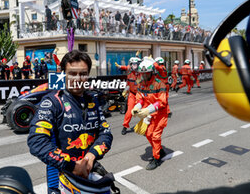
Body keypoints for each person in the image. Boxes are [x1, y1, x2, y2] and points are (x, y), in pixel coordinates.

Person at [27, 50, 113, 194]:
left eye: (83, 74)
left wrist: (91, 156)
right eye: (72, 73)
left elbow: (106, 134)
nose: (78, 79)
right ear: (63, 74)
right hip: (61, 175)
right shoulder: (53, 102)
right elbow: (36, 141)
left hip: (88, 170)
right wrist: (71, 165)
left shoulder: (92, 101)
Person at [132, 57, 168, 170]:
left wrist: (148, 109)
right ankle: (160, 150)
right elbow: (140, 98)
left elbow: (162, 102)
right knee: (148, 134)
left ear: (152, 72)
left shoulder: (160, 84)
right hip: (150, 115)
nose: (144, 76)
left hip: (160, 114)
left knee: (155, 136)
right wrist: (137, 107)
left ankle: (156, 158)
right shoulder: (141, 84)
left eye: (146, 73)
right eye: (143, 73)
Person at [115, 57, 141, 135]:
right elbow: (128, 84)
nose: (134, 66)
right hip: (132, 94)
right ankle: (125, 126)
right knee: (129, 111)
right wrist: (124, 93)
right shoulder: (129, 71)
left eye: (135, 64)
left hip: (141, 95)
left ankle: (148, 125)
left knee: (144, 111)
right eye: (132, 64)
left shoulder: (143, 73)